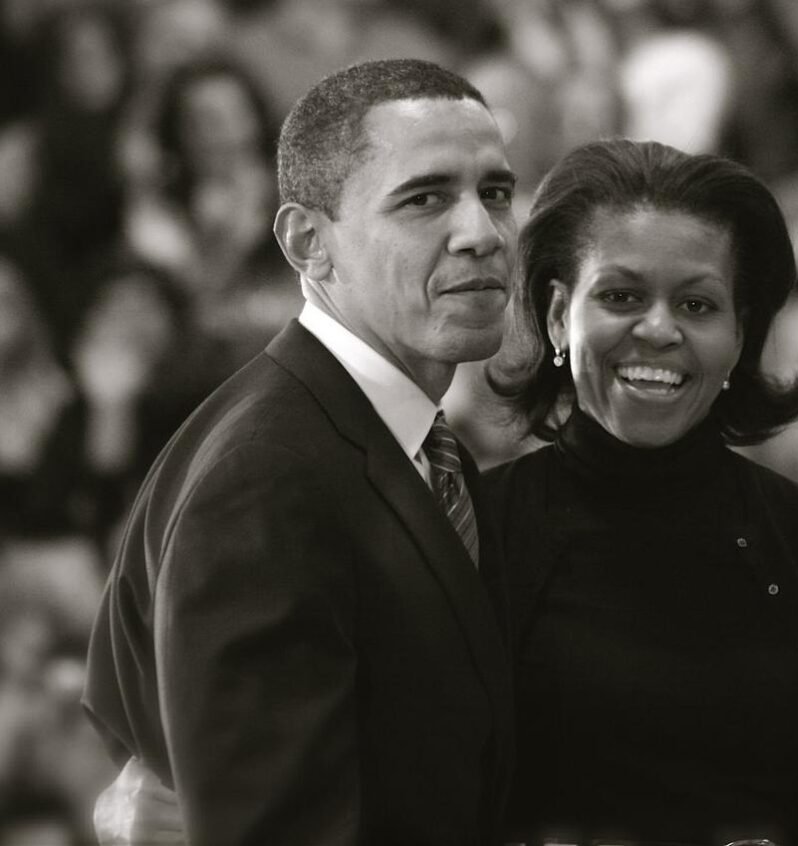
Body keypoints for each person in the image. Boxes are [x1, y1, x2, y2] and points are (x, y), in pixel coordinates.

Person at [95, 141, 798, 845]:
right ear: (556, 318)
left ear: (742, 334)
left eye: (699, 306)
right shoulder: (465, 530)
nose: (657, 330)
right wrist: (149, 806)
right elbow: (331, 776)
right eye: (620, 295)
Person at [82, 58, 517, 846]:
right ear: (309, 243)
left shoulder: (403, 440)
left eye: (495, 193)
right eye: (425, 198)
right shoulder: (264, 479)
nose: (482, 234)